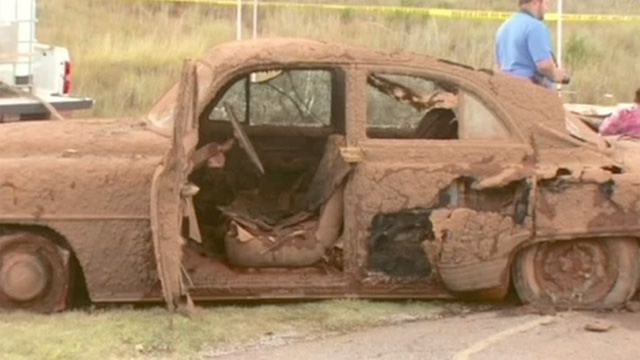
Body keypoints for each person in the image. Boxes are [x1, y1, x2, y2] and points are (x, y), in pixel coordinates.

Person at [495, 0, 567, 88]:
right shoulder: (536, 27)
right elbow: (544, 65)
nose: (547, 9)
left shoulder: (503, 27)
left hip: (505, 87)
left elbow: (500, 64)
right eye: (546, 3)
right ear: (535, 2)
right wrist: (555, 74)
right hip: (528, 89)